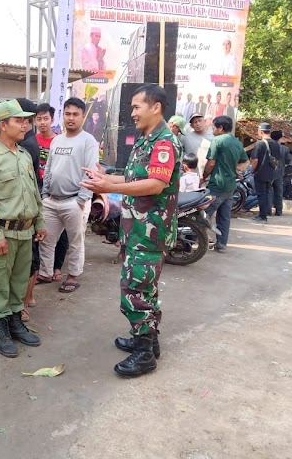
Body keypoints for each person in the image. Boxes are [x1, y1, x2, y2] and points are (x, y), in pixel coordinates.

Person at [81, 84, 182, 377]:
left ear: (156, 107)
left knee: (134, 289)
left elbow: (155, 184)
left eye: (137, 107)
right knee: (144, 288)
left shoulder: (164, 143)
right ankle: (148, 342)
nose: (133, 112)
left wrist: (110, 187)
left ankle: (144, 354)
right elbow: (136, 175)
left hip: (150, 231)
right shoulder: (146, 140)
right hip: (137, 229)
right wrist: (108, 177)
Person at [0, 99, 46, 358]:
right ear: (3, 125)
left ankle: (16, 322)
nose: (26, 124)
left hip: (25, 232)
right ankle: (0, 329)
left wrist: (39, 222)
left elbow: (34, 193)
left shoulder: (24, 155)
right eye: (19, 120)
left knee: (18, 281)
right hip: (3, 234)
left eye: (26, 120)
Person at [38, 97, 99, 293]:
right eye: (67, 114)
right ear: (63, 116)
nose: (71, 118)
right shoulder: (57, 140)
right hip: (51, 201)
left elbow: (91, 171)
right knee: (46, 240)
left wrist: (81, 200)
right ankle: (45, 273)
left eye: (75, 114)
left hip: (74, 200)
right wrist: (45, 194)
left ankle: (72, 275)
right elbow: (48, 168)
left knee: (75, 241)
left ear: (82, 116)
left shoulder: (88, 141)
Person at [200, 115, 249, 253]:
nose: (212, 130)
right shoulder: (237, 143)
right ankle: (221, 244)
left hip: (217, 184)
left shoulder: (217, 140)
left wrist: (203, 177)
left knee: (202, 214)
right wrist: (236, 169)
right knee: (224, 216)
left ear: (220, 128)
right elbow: (245, 162)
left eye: (214, 127)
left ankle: (192, 242)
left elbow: (211, 163)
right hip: (231, 185)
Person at [35, 103, 69, 285]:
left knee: (61, 231)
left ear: (52, 120)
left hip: (55, 189)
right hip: (37, 187)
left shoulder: (60, 141)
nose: (42, 122)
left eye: (45, 118)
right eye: (38, 119)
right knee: (42, 229)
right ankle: (42, 268)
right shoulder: (32, 141)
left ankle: (57, 267)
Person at [15, 98, 40, 321]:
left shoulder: (26, 145)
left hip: (26, 212)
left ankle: (23, 302)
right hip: (29, 210)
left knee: (28, 259)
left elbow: (29, 187)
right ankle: (26, 299)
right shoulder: (26, 142)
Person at [250, 122, 282, 223]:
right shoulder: (276, 144)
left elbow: (255, 160)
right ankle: (266, 213)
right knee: (268, 193)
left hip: (260, 173)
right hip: (272, 173)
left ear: (261, 132)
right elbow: (277, 159)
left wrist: (252, 170)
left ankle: (262, 216)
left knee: (261, 194)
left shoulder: (259, 144)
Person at [271, 130, 291, 216]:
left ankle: (267, 210)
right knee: (279, 191)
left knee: (268, 191)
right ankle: (279, 211)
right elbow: (288, 160)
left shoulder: (268, 146)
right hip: (280, 172)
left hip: (269, 172)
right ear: (280, 138)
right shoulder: (285, 149)